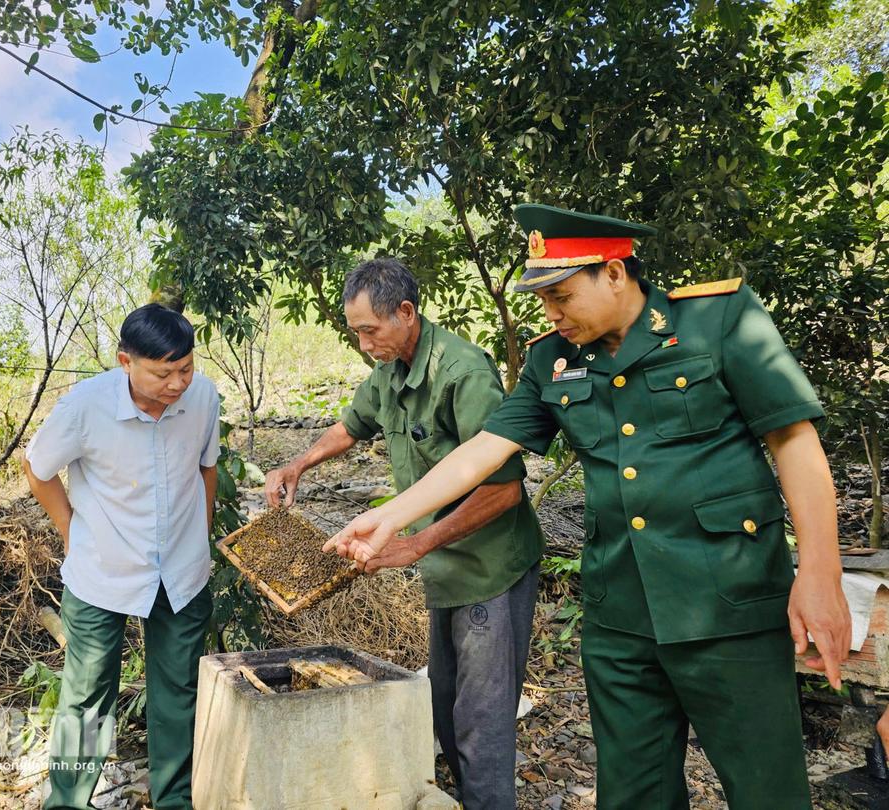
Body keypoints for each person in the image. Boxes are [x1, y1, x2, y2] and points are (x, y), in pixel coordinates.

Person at [328, 205, 852, 810]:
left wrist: (820, 572)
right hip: (621, 619)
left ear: (614, 273)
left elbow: (793, 439)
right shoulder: (552, 359)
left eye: (562, 295)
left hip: (730, 606)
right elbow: (484, 452)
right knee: (633, 793)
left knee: (767, 791)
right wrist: (391, 516)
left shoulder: (718, 320)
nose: (551, 312)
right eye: (542, 298)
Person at [265, 257, 544, 809]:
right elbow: (352, 425)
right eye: (357, 333)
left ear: (407, 313)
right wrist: (297, 464)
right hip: (443, 570)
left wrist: (413, 543)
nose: (366, 344)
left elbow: (504, 490)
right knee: (442, 708)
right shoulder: (389, 370)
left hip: (491, 571)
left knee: (481, 726)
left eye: (371, 330)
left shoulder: (463, 374)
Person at [23, 304, 220, 810]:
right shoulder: (85, 406)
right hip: (101, 571)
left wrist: (199, 536)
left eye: (186, 368)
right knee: (87, 695)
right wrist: (71, 532)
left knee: (178, 690)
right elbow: (39, 470)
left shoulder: (202, 397)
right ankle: (67, 801)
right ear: (125, 361)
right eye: (162, 373)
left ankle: (174, 799)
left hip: (181, 570)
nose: (178, 383)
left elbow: (206, 468)